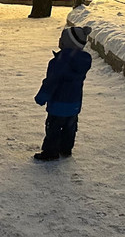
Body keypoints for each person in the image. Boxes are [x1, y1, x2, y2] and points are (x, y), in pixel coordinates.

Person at [33, 25, 93, 161]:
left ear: (67, 43)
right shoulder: (82, 62)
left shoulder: (58, 63)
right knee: (69, 128)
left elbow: (52, 82)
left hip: (58, 104)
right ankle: (66, 149)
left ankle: (50, 152)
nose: (59, 40)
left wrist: (42, 97)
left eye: (62, 38)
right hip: (74, 103)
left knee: (53, 129)